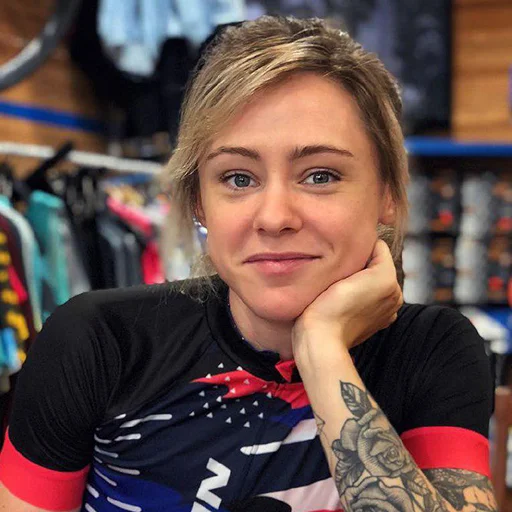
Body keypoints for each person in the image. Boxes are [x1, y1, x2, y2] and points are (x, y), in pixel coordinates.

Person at [0, 15, 496, 512]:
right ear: (199, 202)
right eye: (238, 178)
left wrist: (321, 350)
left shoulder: (432, 351)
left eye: (320, 175)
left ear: (387, 194)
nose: (275, 217)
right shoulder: (99, 342)